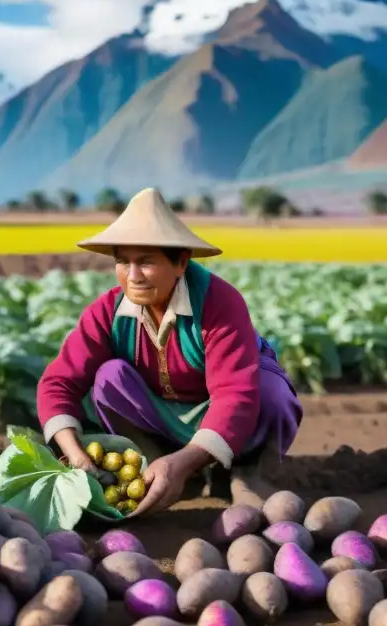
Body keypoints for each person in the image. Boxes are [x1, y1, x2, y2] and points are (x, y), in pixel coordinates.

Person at [36, 187, 303, 517]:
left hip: (233, 411)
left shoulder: (219, 303)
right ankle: (156, 469)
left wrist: (185, 460)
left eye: (146, 262)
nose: (132, 276)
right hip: (164, 415)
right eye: (123, 262)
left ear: (181, 262)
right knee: (109, 378)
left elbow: (235, 395)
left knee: (269, 390)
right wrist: (74, 453)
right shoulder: (108, 311)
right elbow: (58, 382)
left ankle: (244, 474)